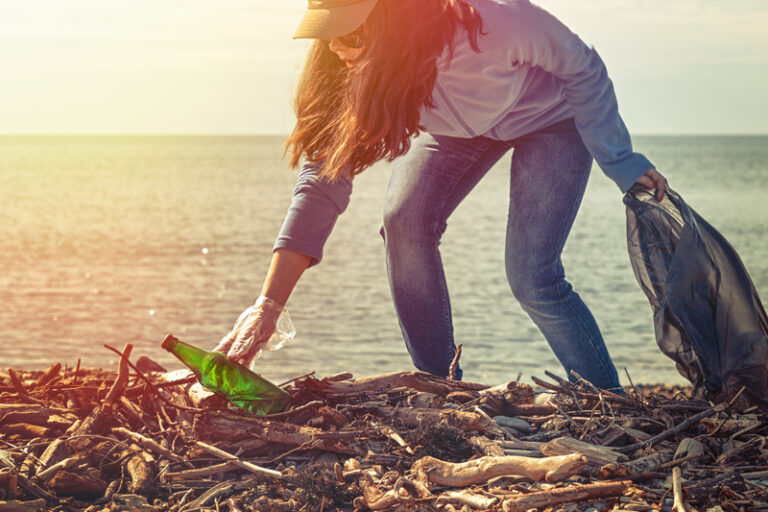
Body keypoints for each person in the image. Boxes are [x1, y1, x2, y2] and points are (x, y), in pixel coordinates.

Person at [213, 0, 668, 391]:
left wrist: (619, 159)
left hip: (549, 121)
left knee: (531, 276)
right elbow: (321, 181)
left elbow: (582, 64)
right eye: (327, 32)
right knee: (403, 222)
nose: (335, 46)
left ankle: (606, 399)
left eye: (348, 31)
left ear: (389, 20)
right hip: (458, 133)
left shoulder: (493, 21)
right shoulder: (353, 66)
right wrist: (268, 305)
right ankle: (441, 385)